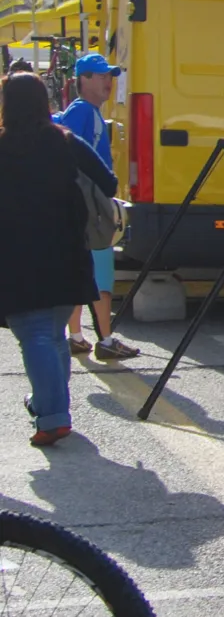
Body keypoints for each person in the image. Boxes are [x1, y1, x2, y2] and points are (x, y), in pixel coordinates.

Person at [0, 72, 106, 447]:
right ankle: (47, 404)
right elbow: (107, 181)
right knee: (53, 334)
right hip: (67, 252)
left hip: (16, 257)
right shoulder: (65, 141)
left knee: (35, 335)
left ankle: (53, 414)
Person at [55, 52, 139, 362]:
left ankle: (77, 336)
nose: (108, 81)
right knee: (101, 273)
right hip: (92, 207)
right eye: (101, 75)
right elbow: (76, 158)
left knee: (82, 268)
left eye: (110, 76)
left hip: (81, 205)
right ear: (84, 79)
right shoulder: (84, 112)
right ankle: (106, 339)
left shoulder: (81, 112)